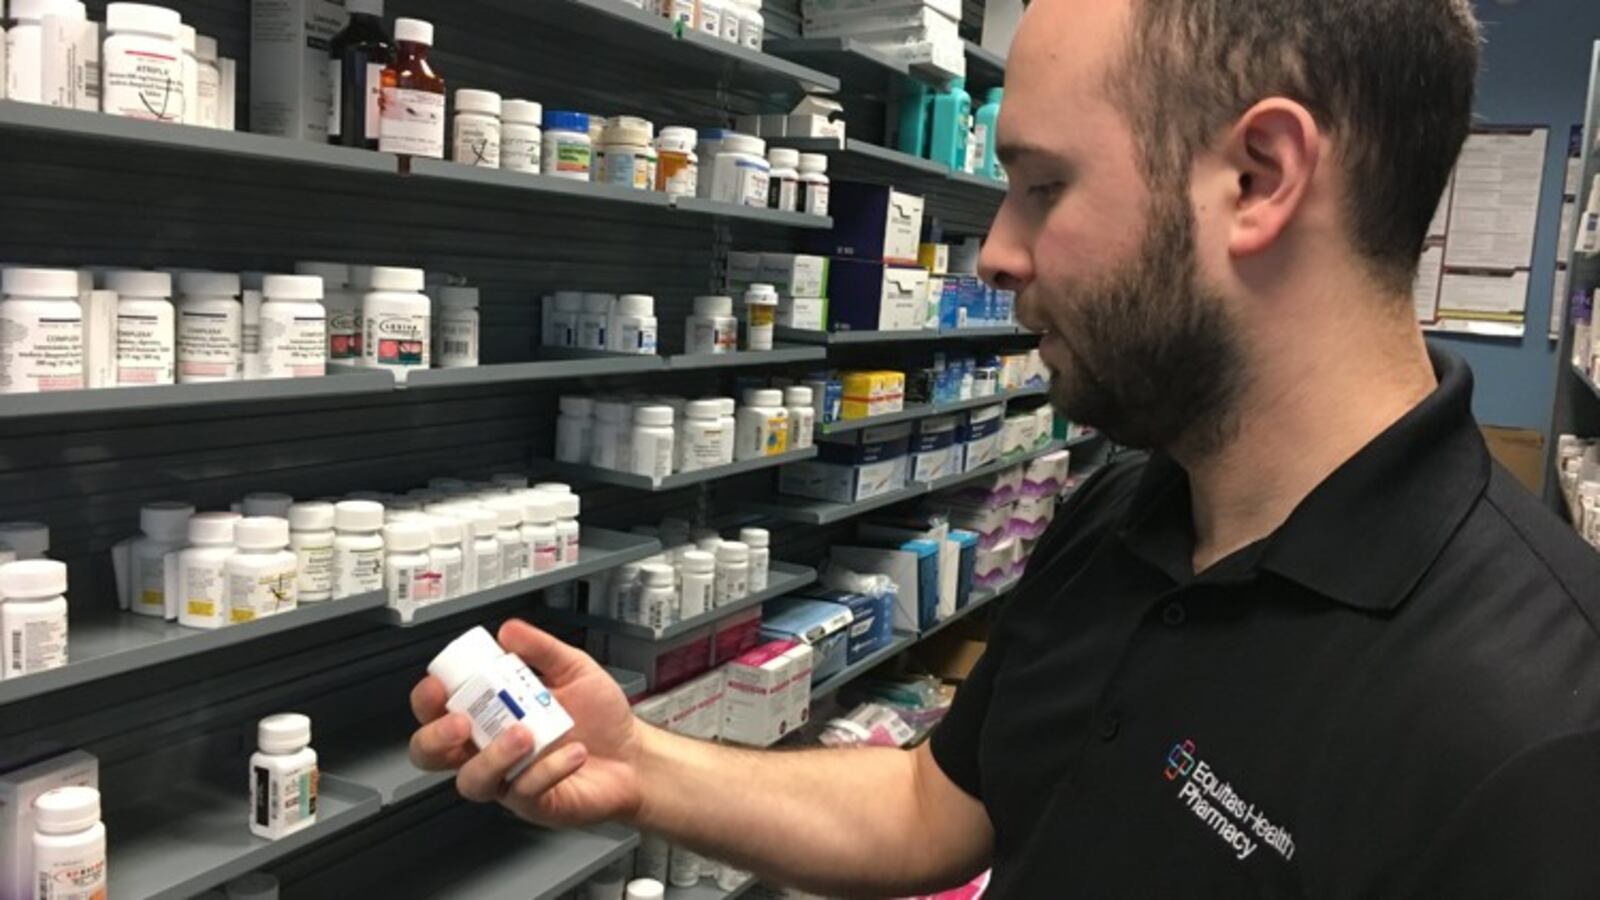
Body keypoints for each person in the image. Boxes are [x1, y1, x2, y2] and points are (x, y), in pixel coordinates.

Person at [411, 0, 1600, 895]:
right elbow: (940, 804)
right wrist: (642, 765)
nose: (994, 254)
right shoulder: (1123, 515)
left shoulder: (1539, 730)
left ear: (1257, 178)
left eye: (1040, 185)